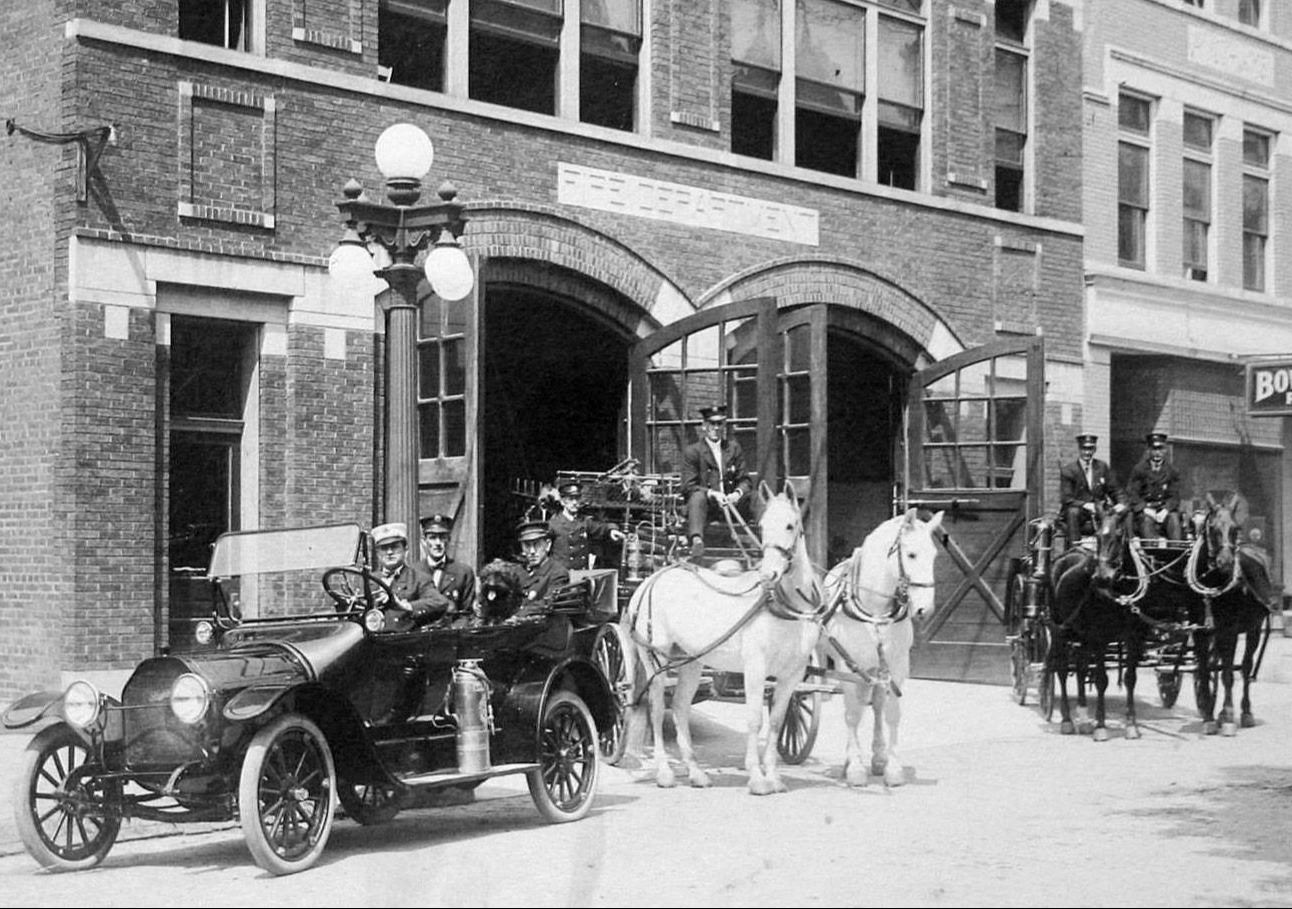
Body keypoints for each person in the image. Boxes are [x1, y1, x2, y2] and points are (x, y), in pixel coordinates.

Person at [682, 403, 753, 560]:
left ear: (724, 426)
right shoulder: (693, 451)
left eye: (719, 423)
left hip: (731, 505)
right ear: (704, 426)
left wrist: (737, 493)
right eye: (711, 424)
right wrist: (712, 494)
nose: (716, 428)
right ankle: (697, 540)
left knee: (755, 497)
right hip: (708, 508)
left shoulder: (733, 448)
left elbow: (745, 480)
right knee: (697, 497)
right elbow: (688, 486)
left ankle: (770, 539)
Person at [370, 522, 451, 631]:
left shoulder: (419, 578)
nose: (389, 552)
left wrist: (405, 606)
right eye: (384, 548)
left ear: (405, 549)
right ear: (377, 553)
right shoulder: (368, 580)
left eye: (394, 547)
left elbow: (440, 603)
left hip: (404, 641)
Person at [1059, 433, 1126, 548]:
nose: (1087, 452)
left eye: (1090, 449)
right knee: (1072, 512)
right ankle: (1076, 548)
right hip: (1079, 512)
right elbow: (1066, 499)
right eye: (1084, 449)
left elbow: (1115, 489)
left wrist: (1121, 503)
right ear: (1079, 449)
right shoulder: (1069, 470)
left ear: (1095, 449)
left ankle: (1111, 554)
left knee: (1120, 514)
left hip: (1099, 509)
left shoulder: (1102, 467)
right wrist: (1085, 505)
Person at [547, 481, 624, 570]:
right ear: (562, 502)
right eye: (570, 499)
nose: (575, 502)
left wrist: (612, 530)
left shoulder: (585, 521)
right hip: (561, 575)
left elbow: (601, 528)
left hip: (582, 574)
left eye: (577, 498)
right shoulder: (554, 524)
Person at [1126, 432, 1183, 541]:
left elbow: (1175, 495)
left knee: (1174, 520)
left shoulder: (1172, 471)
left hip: (1164, 509)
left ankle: (1176, 552)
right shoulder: (1139, 470)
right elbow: (1132, 493)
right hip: (1146, 510)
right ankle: (1151, 553)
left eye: (1160, 449)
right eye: (1154, 449)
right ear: (1148, 450)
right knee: (1146, 522)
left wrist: (1166, 509)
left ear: (1165, 450)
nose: (1157, 453)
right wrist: (1145, 508)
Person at [418, 513, 476, 619]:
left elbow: (467, 613)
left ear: (449, 540)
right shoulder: (414, 572)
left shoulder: (463, 572)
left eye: (442, 537)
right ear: (424, 541)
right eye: (432, 538)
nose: (438, 543)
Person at [513, 516, 571, 617]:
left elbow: (548, 604)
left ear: (548, 545)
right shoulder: (517, 572)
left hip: (547, 628)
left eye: (537, 545)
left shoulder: (558, 573)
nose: (532, 551)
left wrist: (516, 616)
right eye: (527, 545)